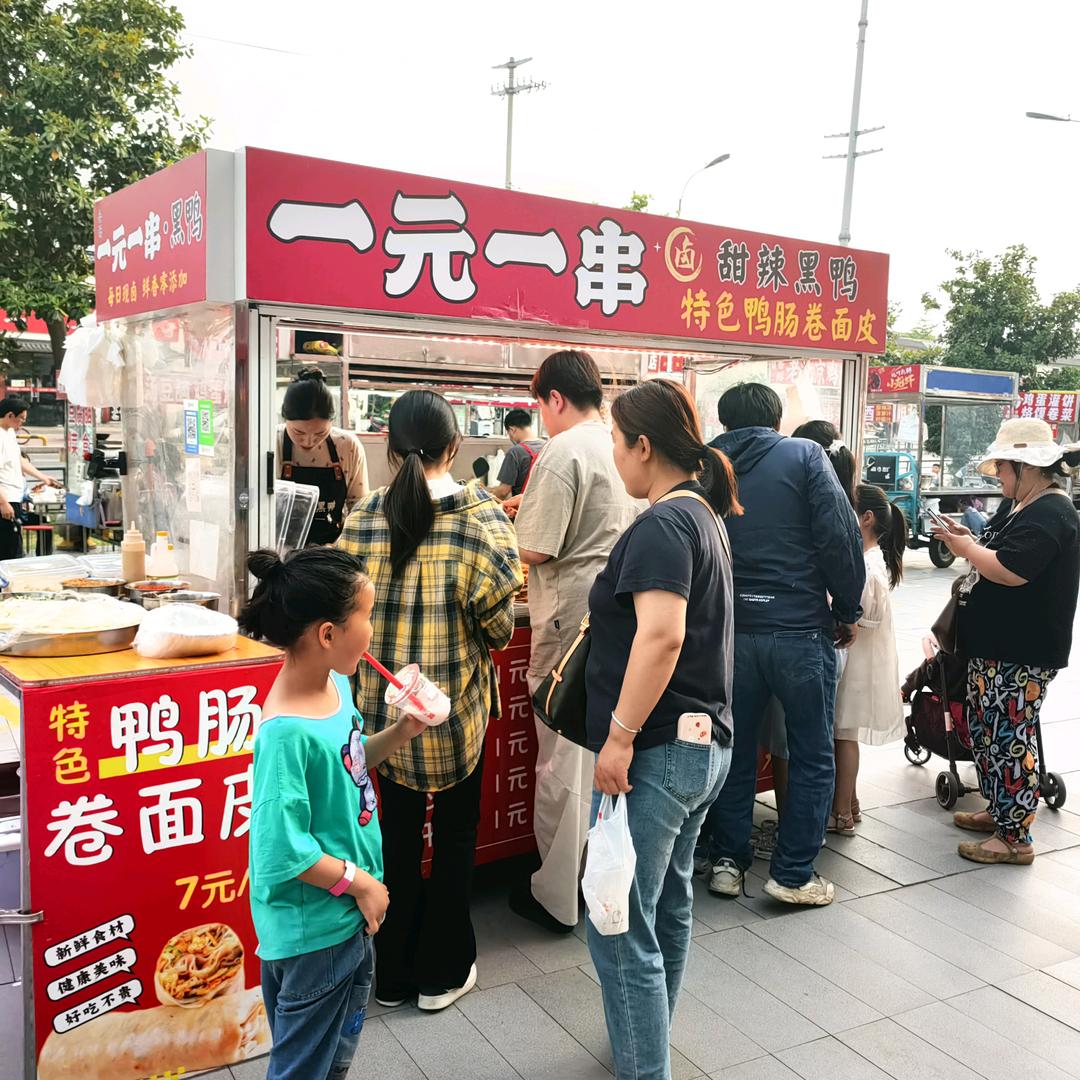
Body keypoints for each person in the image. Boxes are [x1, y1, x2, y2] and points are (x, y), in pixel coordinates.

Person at [338, 389, 522, 1008]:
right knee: (454, 838)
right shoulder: (482, 521)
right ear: (454, 446)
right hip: (453, 719)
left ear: (389, 450)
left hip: (379, 723)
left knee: (387, 837)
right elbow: (499, 628)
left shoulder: (362, 517)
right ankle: (441, 971)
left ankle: (388, 971)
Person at [587, 379, 740, 1080]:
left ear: (644, 446)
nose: (616, 457)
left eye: (618, 444)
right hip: (703, 747)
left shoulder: (661, 525)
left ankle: (646, 1066)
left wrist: (619, 735)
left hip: (658, 751)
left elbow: (662, 637)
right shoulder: (703, 515)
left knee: (618, 921)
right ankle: (648, 1038)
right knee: (666, 904)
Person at [240, 547, 427, 1080]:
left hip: (343, 921)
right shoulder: (285, 733)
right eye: (366, 616)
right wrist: (361, 884)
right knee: (301, 1069)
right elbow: (282, 850)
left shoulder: (336, 685)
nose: (372, 628)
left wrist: (401, 733)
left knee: (330, 1060)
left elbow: (348, 763)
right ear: (327, 634)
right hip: (314, 933)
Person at [701, 383, 864, 906]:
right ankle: (793, 874)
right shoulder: (804, 454)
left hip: (730, 634)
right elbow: (839, 536)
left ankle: (728, 861)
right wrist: (847, 608)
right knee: (813, 753)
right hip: (798, 628)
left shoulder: (707, 464)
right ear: (776, 418)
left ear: (725, 419)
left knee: (733, 747)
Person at [512, 350, 642, 933]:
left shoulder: (563, 449)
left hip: (570, 625)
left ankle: (558, 896)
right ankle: (602, 882)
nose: (543, 416)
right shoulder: (622, 441)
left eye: (542, 405)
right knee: (602, 760)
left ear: (555, 399)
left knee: (565, 763)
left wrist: (508, 521)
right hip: (619, 620)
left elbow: (536, 548)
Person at [932, 418, 1080, 865]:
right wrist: (970, 542)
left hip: (1022, 651)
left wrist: (967, 550)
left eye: (1003, 467)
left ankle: (1015, 837)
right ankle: (1002, 813)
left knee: (1008, 737)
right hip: (998, 648)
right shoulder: (1024, 505)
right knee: (988, 733)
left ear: (1027, 466)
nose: (997, 475)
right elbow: (994, 553)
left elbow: (1012, 570)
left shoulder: (1052, 512)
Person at [830, 484, 907, 834]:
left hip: (856, 665)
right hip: (860, 663)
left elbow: (857, 617)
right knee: (845, 735)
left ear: (866, 518)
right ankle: (852, 803)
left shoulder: (867, 565)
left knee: (844, 736)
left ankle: (841, 814)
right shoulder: (873, 560)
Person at [277, 368, 368, 545]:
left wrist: (337, 547)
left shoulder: (347, 445)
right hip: (281, 551)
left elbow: (361, 511)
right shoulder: (272, 443)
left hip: (332, 552)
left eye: (320, 433)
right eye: (298, 432)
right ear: (285, 419)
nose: (309, 441)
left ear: (332, 421)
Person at [0, 396, 62, 560]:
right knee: (9, 553)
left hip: (13, 498)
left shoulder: (10, 432)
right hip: (5, 500)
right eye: (21, 419)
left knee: (13, 549)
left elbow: (19, 460)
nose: (22, 423)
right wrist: (3, 503)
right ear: (10, 415)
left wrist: (43, 477)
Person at [490, 408, 544, 502]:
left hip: (522, 510)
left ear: (512, 430)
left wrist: (486, 494)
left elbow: (503, 492)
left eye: (508, 433)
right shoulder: (548, 446)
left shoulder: (515, 452)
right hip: (542, 507)